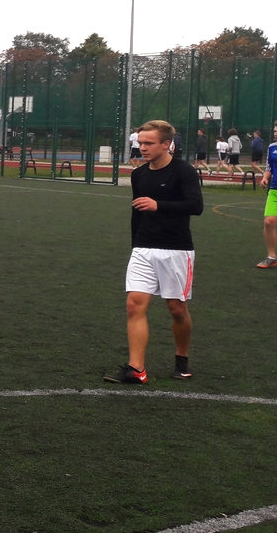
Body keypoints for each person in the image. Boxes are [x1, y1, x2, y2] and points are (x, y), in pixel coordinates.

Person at [104, 119, 202, 384]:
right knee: (134, 304)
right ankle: (136, 369)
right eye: (140, 143)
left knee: (177, 309)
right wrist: (135, 244)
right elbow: (137, 211)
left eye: (149, 143)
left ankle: (181, 357)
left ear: (166, 144)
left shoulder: (184, 172)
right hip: (143, 248)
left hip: (176, 250)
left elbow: (196, 206)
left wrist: (159, 205)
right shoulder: (139, 175)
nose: (143, 148)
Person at [256, 124, 277, 268]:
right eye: (275, 131)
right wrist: (265, 177)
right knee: (269, 222)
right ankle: (272, 257)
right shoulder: (272, 147)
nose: (276, 133)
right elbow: (269, 166)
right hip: (275, 190)